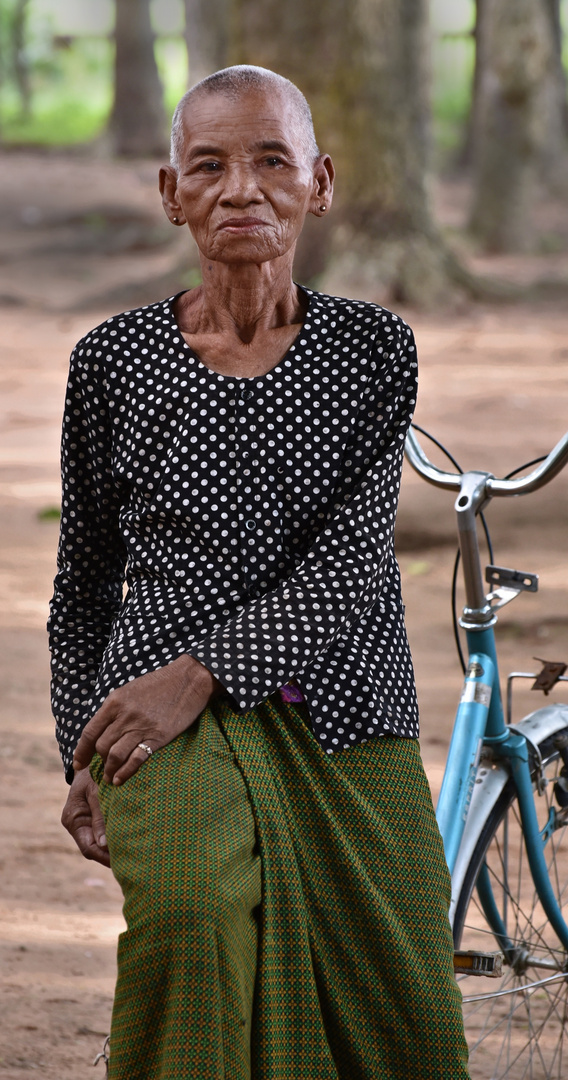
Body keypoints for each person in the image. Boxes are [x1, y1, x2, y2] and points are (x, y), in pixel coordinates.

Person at [49, 65, 470, 1080]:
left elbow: (348, 570)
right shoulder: (113, 359)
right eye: (210, 165)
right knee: (192, 919)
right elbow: (83, 580)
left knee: (401, 994)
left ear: (318, 184)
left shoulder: (373, 349)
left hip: (338, 698)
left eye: (270, 161)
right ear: (172, 192)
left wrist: (193, 677)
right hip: (148, 718)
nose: (241, 189)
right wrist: (81, 744)